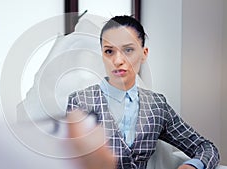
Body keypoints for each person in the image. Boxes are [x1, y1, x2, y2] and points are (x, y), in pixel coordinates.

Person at [66, 15, 220, 169]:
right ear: (102, 55)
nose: (118, 60)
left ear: (144, 53)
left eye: (128, 50)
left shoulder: (157, 105)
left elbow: (206, 148)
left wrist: (192, 166)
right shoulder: (80, 101)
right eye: (109, 51)